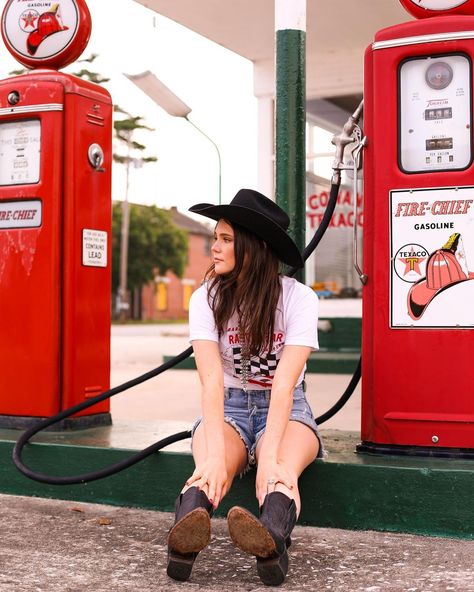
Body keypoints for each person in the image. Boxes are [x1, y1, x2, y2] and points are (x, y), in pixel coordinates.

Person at [166, 188, 323, 586]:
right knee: (207, 469)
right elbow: (210, 380)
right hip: (229, 407)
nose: (213, 247)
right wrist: (217, 455)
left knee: (280, 473)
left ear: (253, 247)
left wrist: (268, 458)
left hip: (287, 409)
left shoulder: (298, 299)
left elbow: (286, 384)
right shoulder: (206, 298)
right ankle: (183, 542)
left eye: (224, 239)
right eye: (214, 237)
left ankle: (271, 541)